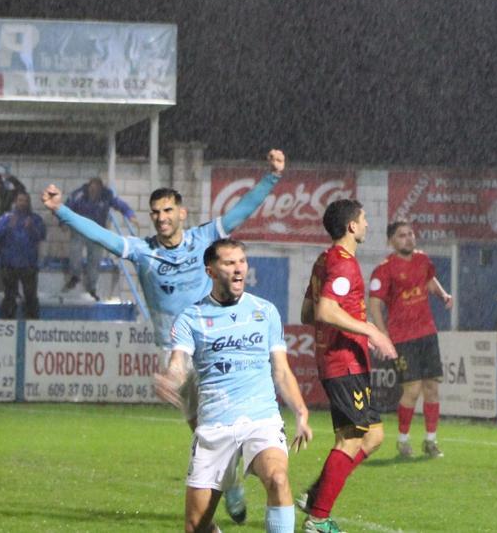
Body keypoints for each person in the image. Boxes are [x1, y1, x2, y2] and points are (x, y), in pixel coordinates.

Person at [41, 148, 285, 524]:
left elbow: (239, 213)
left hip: (216, 342)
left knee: (224, 420)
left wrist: (270, 177)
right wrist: (62, 211)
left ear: (181, 213)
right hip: (176, 350)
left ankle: (238, 476)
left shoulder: (204, 241)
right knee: (201, 427)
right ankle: (232, 482)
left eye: (168, 210)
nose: (161, 217)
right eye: (156, 212)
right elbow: (103, 237)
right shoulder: (143, 251)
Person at [154, 238, 313, 533]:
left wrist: (301, 412)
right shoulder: (192, 317)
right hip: (216, 425)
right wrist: (170, 378)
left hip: (261, 419)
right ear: (211, 271)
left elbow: (281, 370)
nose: (238, 269)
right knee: (195, 526)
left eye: (242, 261)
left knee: (278, 479)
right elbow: (179, 362)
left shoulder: (265, 311)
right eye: (229, 263)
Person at [297, 199, 397, 533]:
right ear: (351, 226)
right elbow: (325, 311)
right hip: (345, 363)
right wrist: (370, 330)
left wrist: (349, 322)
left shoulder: (324, 260)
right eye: (364, 219)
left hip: (340, 360)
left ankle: (315, 498)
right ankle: (318, 518)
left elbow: (307, 313)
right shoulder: (344, 264)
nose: (368, 224)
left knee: (374, 436)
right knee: (352, 440)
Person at [367, 220, 453, 458]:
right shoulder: (384, 269)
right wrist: (382, 334)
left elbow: (428, 280)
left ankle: (430, 441)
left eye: (410, 234)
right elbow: (375, 303)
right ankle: (403, 440)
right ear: (391, 241)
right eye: (402, 235)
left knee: (432, 388)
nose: (408, 238)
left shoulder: (423, 260)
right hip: (403, 338)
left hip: (427, 333)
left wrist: (443, 294)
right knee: (412, 390)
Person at [63, 177, 136, 301]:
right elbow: (68, 206)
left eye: (96, 190)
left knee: (95, 258)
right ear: (89, 187)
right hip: (80, 227)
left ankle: (92, 286)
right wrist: (63, 222)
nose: (94, 192)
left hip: (97, 230)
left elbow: (119, 204)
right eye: (92, 189)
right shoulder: (79, 194)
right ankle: (75, 276)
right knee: (75, 251)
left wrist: (129, 214)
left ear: (100, 190)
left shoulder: (106, 196)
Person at [0, 191, 46, 319]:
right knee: (9, 296)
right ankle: (8, 325)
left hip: (28, 264)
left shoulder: (35, 219)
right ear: (15, 202)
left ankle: (32, 324)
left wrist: (32, 229)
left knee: (30, 296)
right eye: (20, 200)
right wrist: (8, 227)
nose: (22, 203)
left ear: (28, 202)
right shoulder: (6, 218)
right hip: (9, 264)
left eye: (25, 201)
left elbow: (41, 236)